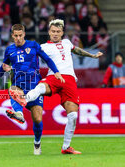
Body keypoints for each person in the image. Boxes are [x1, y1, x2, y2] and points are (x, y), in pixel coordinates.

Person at [9, 19, 103, 154]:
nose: (55, 34)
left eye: (58, 32)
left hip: (69, 79)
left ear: (62, 33)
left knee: (73, 116)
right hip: (54, 76)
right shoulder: (42, 46)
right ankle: (24, 99)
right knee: (41, 87)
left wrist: (92, 55)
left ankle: (66, 147)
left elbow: (77, 50)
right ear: (49, 32)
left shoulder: (67, 43)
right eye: (53, 31)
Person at [0, 24, 64, 155]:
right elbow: (4, 67)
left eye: (20, 35)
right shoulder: (9, 50)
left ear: (24, 34)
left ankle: (37, 143)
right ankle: (19, 114)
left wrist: (56, 71)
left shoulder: (33, 45)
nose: (18, 38)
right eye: (15, 36)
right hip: (19, 84)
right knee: (12, 89)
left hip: (35, 87)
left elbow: (47, 59)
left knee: (38, 119)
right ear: (12, 35)